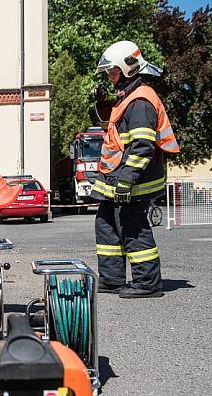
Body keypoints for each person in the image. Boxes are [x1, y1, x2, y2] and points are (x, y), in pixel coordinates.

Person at [92, 40, 179, 298]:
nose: (110, 77)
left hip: (135, 180)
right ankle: (112, 279)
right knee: (106, 222)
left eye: (113, 72)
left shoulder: (141, 101)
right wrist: (102, 103)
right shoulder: (128, 97)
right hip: (119, 177)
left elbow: (142, 146)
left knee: (132, 226)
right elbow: (112, 125)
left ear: (128, 68)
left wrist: (126, 180)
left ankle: (147, 283)